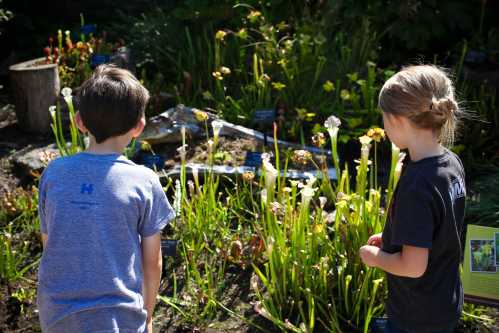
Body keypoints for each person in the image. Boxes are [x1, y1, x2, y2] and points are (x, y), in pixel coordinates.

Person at [37, 65, 175, 333]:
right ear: (139, 127)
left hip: (57, 315)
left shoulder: (53, 173)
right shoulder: (144, 181)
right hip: (120, 317)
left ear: (79, 121)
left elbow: (49, 244)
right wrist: (147, 315)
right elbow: (152, 261)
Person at [359, 65, 466, 333]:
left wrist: (374, 257)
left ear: (397, 120)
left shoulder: (417, 185)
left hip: (418, 314)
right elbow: (438, 226)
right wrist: (394, 239)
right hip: (445, 299)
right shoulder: (450, 163)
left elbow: (413, 267)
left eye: (384, 118)